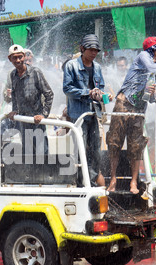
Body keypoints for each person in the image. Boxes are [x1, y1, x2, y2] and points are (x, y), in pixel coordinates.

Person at [106, 36, 156, 194]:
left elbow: (148, 97)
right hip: (124, 103)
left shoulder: (155, 69)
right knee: (115, 141)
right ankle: (113, 179)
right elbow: (152, 68)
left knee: (136, 145)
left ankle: (134, 182)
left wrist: (150, 94)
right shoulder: (143, 57)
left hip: (138, 109)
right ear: (152, 49)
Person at [63, 34, 111, 187]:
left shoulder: (97, 67)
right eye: (91, 50)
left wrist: (102, 95)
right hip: (78, 115)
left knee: (96, 149)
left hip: (94, 114)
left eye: (96, 50)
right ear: (82, 49)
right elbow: (67, 89)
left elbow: (101, 86)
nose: (94, 53)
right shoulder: (71, 66)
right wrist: (87, 92)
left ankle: (91, 180)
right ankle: (79, 181)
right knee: (80, 148)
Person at [5, 44, 54, 155]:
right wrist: (15, 110)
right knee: (28, 154)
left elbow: (49, 94)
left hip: (37, 120)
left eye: (20, 57)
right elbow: (14, 94)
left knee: (42, 153)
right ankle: (31, 173)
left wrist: (43, 115)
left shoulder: (35, 72)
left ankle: (44, 172)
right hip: (23, 121)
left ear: (24, 56)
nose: (18, 60)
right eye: (15, 57)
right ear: (10, 59)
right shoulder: (13, 75)